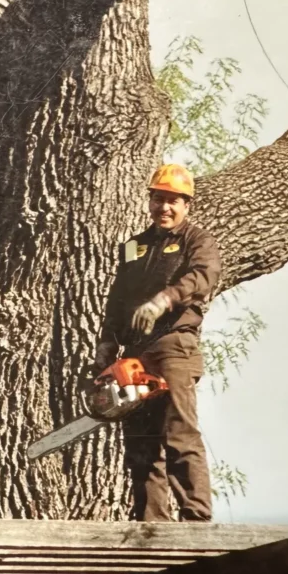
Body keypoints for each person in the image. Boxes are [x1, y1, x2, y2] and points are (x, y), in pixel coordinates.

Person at [94, 163, 222, 522]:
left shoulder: (198, 241)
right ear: (149, 201)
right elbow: (117, 298)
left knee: (179, 434)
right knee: (141, 444)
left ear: (186, 205)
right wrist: (106, 342)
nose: (164, 208)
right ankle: (152, 526)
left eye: (172, 201)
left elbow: (203, 276)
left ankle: (196, 519)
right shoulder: (134, 246)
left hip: (173, 347)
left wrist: (164, 300)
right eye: (158, 199)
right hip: (136, 353)